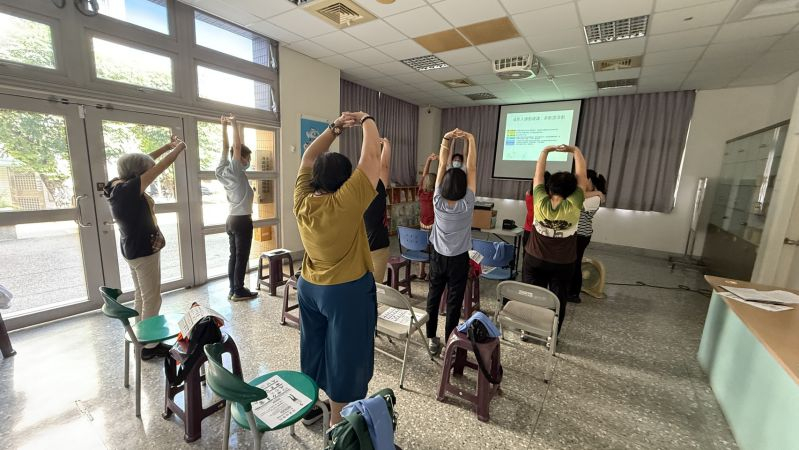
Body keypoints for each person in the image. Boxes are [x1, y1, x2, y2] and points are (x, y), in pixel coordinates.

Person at [293, 111, 381, 427]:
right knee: (346, 356)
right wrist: (366, 119)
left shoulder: (302, 199)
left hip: (309, 287)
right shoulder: (347, 200)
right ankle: (337, 424)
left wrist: (335, 128)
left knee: (313, 347)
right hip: (345, 292)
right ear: (346, 180)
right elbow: (371, 157)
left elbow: (308, 156)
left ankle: (309, 407)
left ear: (315, 177)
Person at [103, 136, 186, 360]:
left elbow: (140, 163)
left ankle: (140, 336)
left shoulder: (116, 185)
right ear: (138, 174)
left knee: (141, 294)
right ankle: (150, 346)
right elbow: (157, 167)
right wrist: (178, 149)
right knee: (152, 298)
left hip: (131, 248)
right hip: (142, 250)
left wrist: (166, 146)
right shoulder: (129, 191)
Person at [523, 144, 588, 334]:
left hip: (534, 259)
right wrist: (575, 151)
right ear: (572, 191)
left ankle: (527, 331)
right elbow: (582, 177)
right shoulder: (574, 204)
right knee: (558, 300)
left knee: (532, 297)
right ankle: (552, 335)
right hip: (563, 263)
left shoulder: (540, 200)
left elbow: (538, 175)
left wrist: (545, 151)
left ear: (549, 189)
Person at [425, 128, 477, 356]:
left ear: (443, 183)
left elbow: (442, 165)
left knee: (433, 297)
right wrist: (470, 139)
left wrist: (446, 138)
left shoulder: (437, 199)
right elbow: (471, 168)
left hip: (437, 257)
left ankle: (431, 338)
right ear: (464, 186)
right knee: (454, 302)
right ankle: (449, 342)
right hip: (458, 260)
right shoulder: (467, 203)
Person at [216, 114, 258, 301]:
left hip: (231, 220)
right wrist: (234, 124)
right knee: (241, 257)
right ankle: (239, 290)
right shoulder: (235, 170)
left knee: (234, 256)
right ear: (241, 158)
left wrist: (223, 127)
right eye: (248, 158)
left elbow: (225, 148)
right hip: (242, 221)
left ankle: (233, 289)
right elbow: (235, 147)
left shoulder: (222, 170)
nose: (248, 161)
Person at [568, 170, 607, 303]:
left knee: (575, 262)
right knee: (572, 262)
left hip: (581, 234)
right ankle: (570, 290)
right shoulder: (595, 195)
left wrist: (598, 193)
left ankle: (574, 294)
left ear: (589, 180)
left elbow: (577, 197)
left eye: (582, 180)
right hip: (577, 233)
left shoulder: (595, 198)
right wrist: (598, 192)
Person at [363, 137, 392, 284]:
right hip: (377, 246)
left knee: (360, 285)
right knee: (375, 287)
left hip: (358, 247)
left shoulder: (353, 191)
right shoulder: (378, 188)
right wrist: (386, 145)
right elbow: (384, 166)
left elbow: (383, 167)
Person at [523, 171, 551, 249]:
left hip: (528, 229)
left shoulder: (528, 193)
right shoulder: (547, 198)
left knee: (526, 253)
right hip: (541, 233)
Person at [418, 153, 437, 230]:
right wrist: (441, 160)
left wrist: (428, 160)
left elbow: (424, 175)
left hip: (422, 225)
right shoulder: (435, 195)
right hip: (432, 226)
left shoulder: (421, 192)